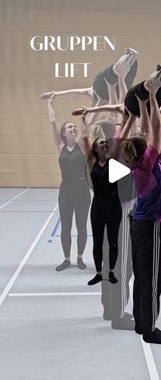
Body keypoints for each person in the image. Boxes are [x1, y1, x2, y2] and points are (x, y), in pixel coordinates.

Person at [122, 68, 161, 344]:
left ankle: (142, 323)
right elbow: (154, 129)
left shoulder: (149, 163)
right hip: (149, 225)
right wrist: (152, 97)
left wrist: (143, 103)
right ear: (146, 151)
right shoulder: (145, 164)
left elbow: (155, 130)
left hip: (143, 223)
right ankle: (150, 330)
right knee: (152, 278)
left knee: (143, 275)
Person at [79, 86, 136, 285]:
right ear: (95, 148)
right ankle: (98, 272)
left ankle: (111, 271)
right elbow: (84, 139)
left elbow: (121, 138)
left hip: (113, 205)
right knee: (97, 241)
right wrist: (84, 119)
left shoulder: (113, 160)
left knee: (112, 240)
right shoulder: (91, 162)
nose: (104, 144)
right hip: (97, 206)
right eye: (101, 143)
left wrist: (129, 118)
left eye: (105, 143)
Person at [45, 93, 90, 271]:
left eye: (74, 126)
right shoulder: (60, 146)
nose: (73, 128)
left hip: (82, 190)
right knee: (66, 227)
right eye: (69, 127)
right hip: (66, 190)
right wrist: (51, 102)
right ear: (64, 133)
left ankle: (79, 257)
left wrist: (86, 114)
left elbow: (87, 125)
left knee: (81, 227)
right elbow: (52, 122)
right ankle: (66, 259)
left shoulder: (82, 145)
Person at [39, 47, 138, 107]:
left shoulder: (90, 92)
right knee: (126, 85)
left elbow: (71, 92)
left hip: (100, 83)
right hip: (115, 88)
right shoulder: (105, 101)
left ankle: (123, 61)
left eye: (93, 103)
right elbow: (116, 107)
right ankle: (131, 60)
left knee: (114, 73)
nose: (94, 102)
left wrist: (55, 94)